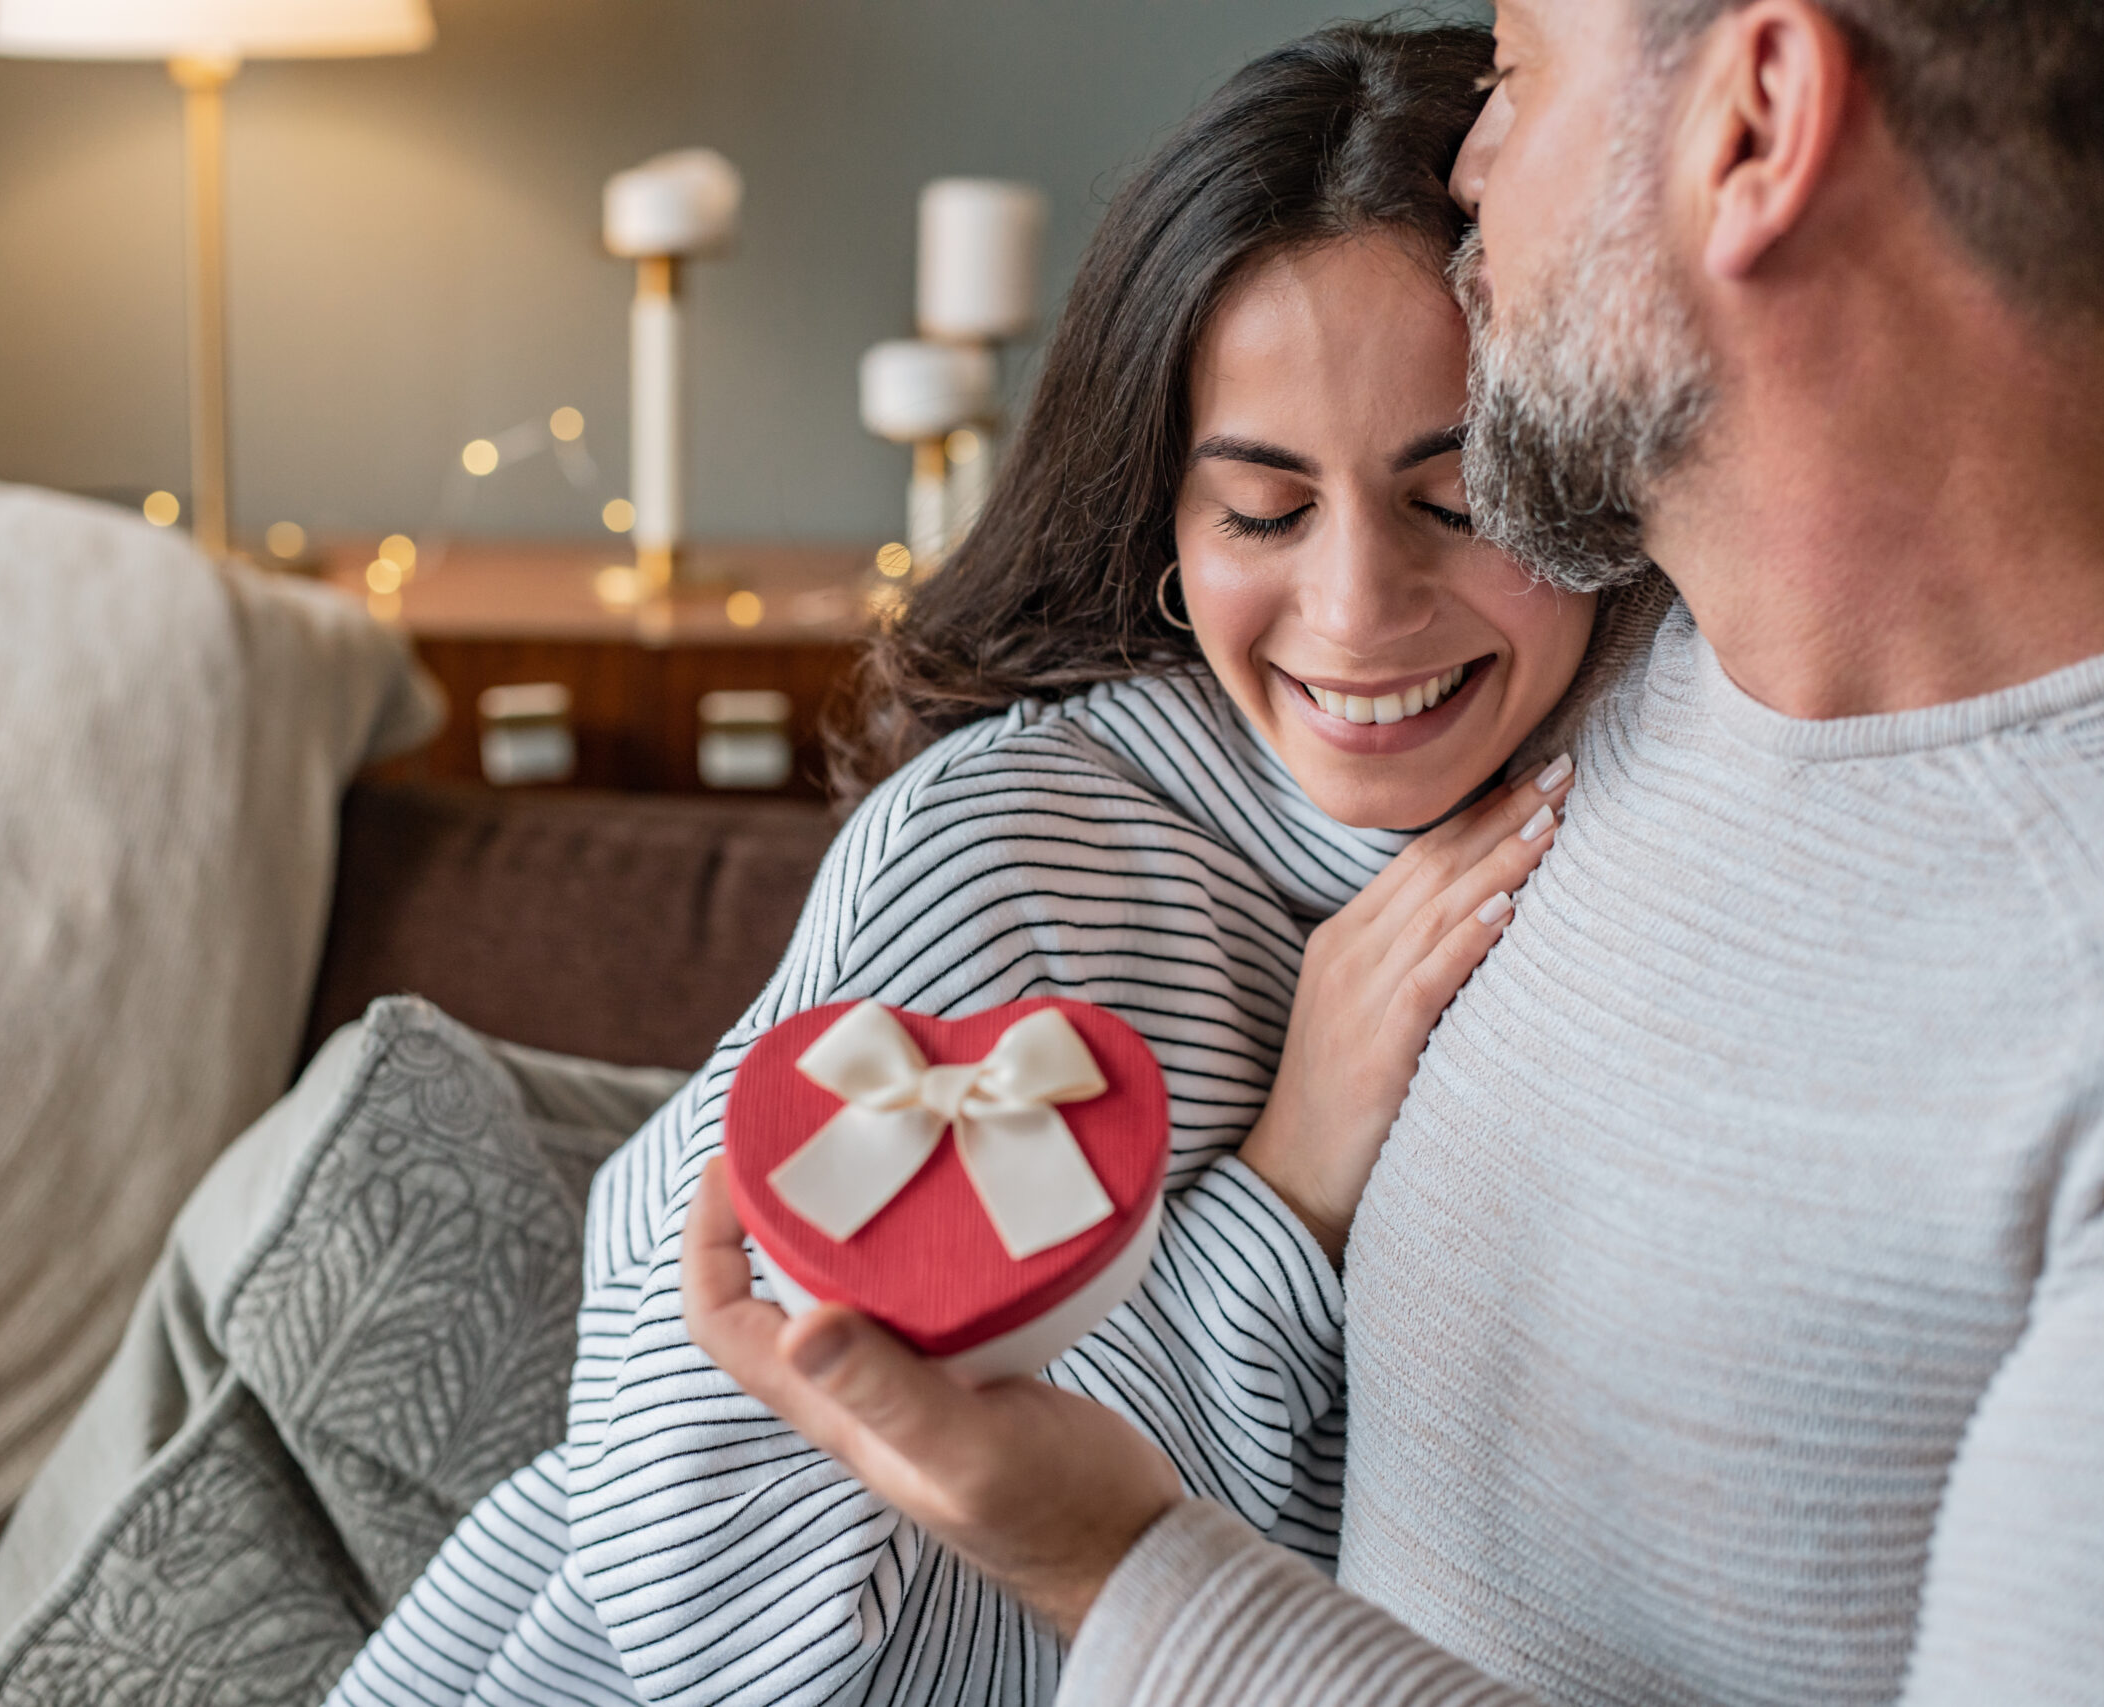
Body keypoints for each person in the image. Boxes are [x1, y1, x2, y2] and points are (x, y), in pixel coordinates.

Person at [684, 1, 2104, 1702]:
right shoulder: (1611, 669)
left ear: (1756, 120)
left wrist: (1118, 1568)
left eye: (1517, 71)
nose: (1474, 163)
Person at [329, 24, 1612, 1707]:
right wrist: (1285, 1188)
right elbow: (704, 1606)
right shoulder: (1007, 859)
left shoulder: (1625, 785)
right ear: (1165, 525)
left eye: (1459, 499)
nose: (1359, 609)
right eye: (1264, 511)